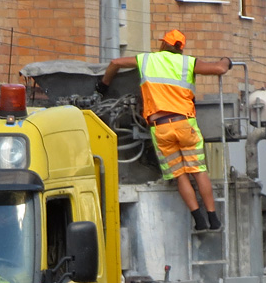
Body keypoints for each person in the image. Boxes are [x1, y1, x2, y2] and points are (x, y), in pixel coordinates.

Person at [98, 29, 234, 231]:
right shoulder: (188, 63)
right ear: (180, 48)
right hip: (185, 124)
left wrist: (103, 86)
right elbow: (219, 69)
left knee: (180, 175)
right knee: (198, 171)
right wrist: (226, 60)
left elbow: (115, 63)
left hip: (160, 127)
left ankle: (199, 219)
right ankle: (213, 218)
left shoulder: (146, 60)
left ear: (164, 44)